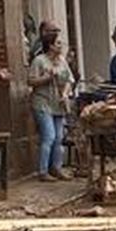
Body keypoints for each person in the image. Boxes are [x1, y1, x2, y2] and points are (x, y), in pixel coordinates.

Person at [28, 21, 75, 181]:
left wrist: (66, 93)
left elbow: (69, 79)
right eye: (57, 43)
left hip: (58, 102)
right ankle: (43, 170)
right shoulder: (39, 61)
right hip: (43, 102)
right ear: (50, 46)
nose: (60, 46)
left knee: (59, 137)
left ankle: (57, 167)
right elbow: (31, 81)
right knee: (49, 136)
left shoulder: (62, 61)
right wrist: (46, 78)